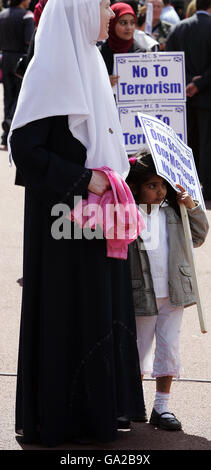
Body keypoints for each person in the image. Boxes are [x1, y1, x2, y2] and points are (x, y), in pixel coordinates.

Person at [9, 0, 146, 447]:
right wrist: (84, 180)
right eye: (104, 6)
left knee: (98, 309)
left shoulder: (90, 59)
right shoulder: (50, 70)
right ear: (79, 11)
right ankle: (66, 418)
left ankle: (97, 412)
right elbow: (26, 150)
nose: (110, 15)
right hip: (62, 227)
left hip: (97, 221)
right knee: (68, 313)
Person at [127, 150, 209, 430]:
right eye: (152, 186)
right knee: (137, 350)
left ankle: (161, 407)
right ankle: (132, 403)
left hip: (173, 292)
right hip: (142, 293)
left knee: (169, 349)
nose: (160, 191)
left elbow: (199, 235)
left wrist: (192, 205)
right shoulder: (129, 213)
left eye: (163, 185)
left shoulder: (175, 212)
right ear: (136, 186)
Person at [166, 0, 211, 200]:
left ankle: (185, 187)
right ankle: (207, 188)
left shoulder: (177, 29)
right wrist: (199, 84)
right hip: (206, 98)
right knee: (207, 144)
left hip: (181, 99)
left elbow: (169, 61)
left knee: (185, 144)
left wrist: (186, 83)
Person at [0, 0, 34, 147]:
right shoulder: (27, 15)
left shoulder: (2, 14)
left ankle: (5, 133)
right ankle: (9, 123)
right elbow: (29, 40)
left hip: (5, 57)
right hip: (20, 60)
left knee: (8, 95)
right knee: (20, 95)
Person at [100, 2, 146, 88]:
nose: (129, 28)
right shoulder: (100, 53)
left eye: (132, 23)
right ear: (112, 24)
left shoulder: (141, 53)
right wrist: (105, 83)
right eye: (123, 23)